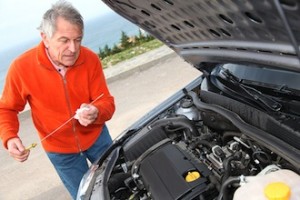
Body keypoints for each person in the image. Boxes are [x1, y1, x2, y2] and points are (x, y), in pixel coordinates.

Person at [0, 0, 115, 199]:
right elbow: (6, 108)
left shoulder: (90, 59)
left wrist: (96, 112)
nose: (73, 48)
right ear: (45, 37)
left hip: (98, 139)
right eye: (64, 40)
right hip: (61, 152)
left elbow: (107, 103)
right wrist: (10, 137)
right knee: (86, 196)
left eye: (78, 39)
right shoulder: (21, 67)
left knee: (118, 185)